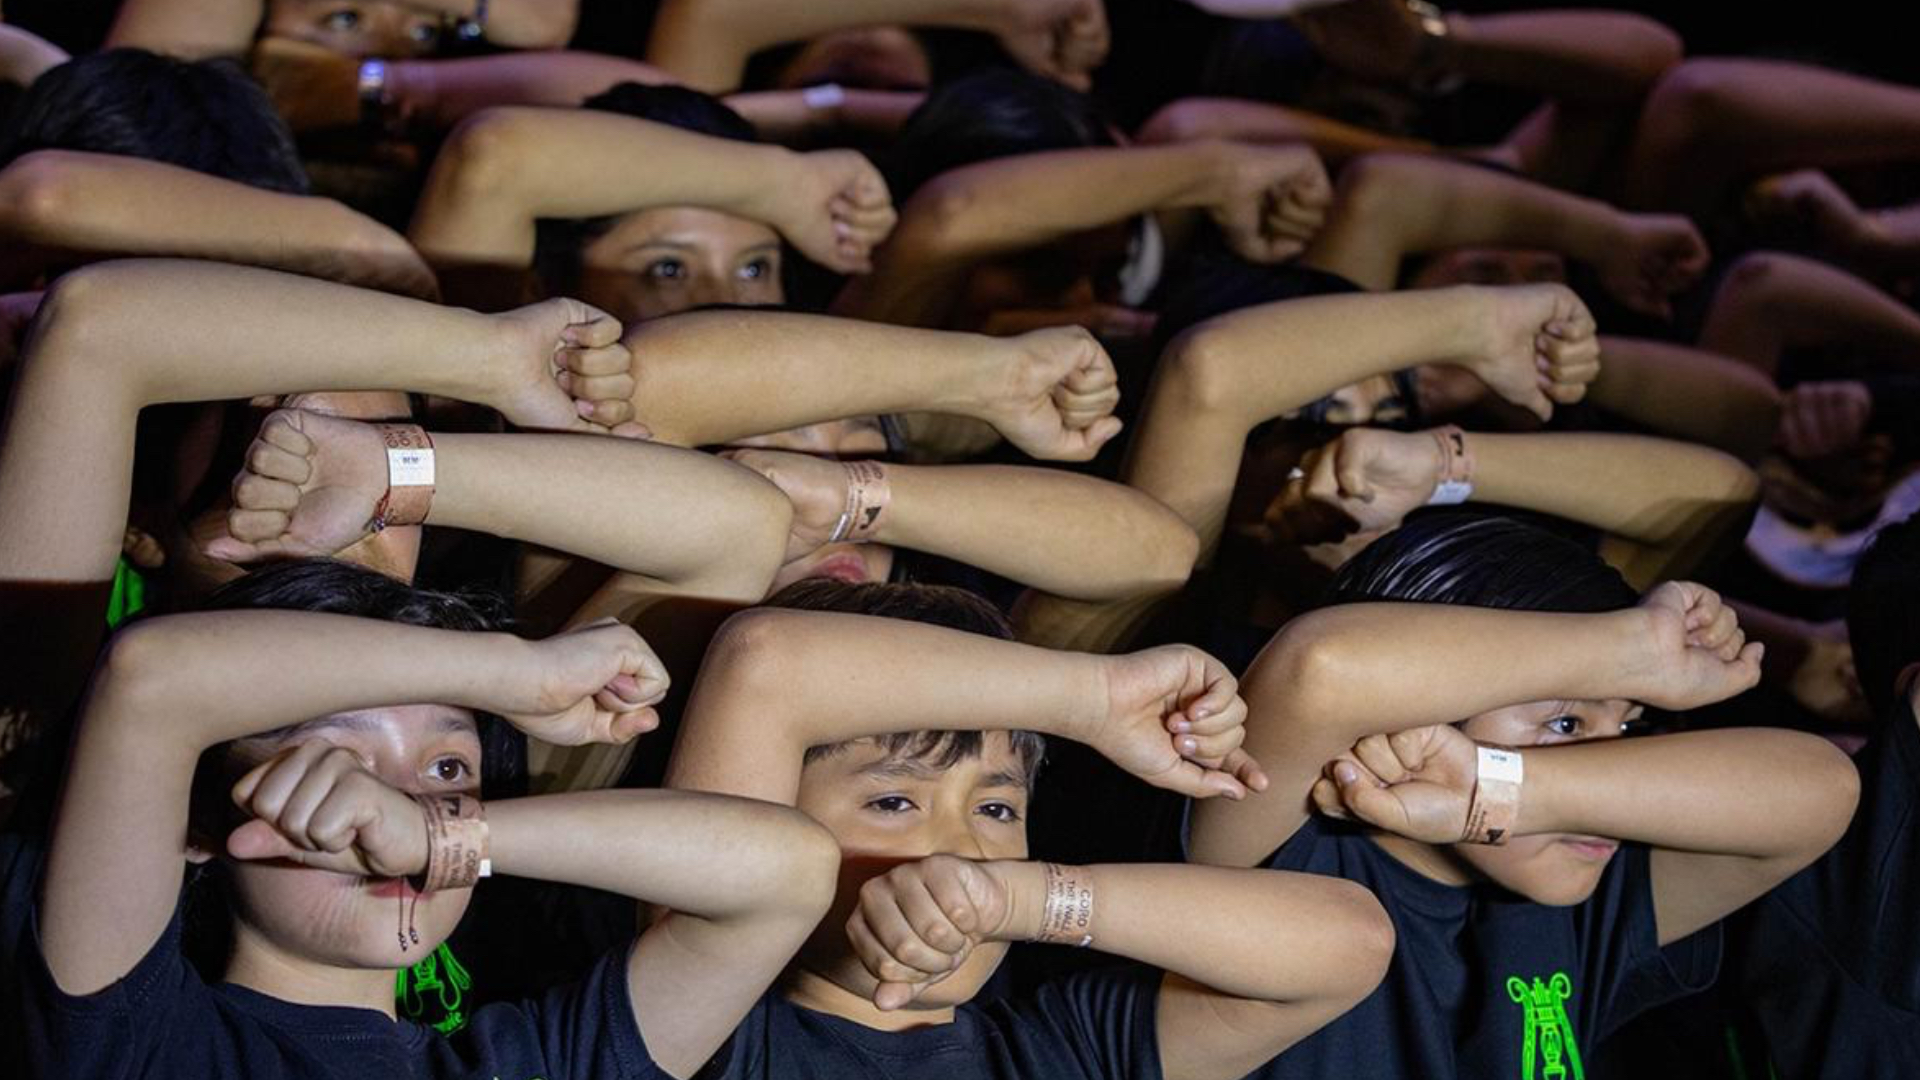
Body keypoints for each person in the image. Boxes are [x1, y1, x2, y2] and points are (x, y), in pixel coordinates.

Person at [11, 556, 839, 1080]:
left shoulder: (529, 1064)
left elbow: (788, 873)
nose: (395, 804)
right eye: (340, 759)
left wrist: (440, 838)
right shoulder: (135, 1040)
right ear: (198, 822)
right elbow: (148, 678)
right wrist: (511, 672)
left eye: (448, 770)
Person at [1189, 511, 1860, 1079]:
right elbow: (1318, 668)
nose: (1612, 767)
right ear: (1405, 720)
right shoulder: (1290, 846)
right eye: (1565, 724)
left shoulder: (1571, 903)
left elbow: (1822, 789)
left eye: (1631, 727)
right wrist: (1631, 648)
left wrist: (1498, 791)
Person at [664, 579, 1395, 1080]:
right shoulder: (700, 1027)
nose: (962, 850)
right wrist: (1092, 699)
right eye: (892, 803)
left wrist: (1019, 900)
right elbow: (764, 661)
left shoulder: (1060, 1052)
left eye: (996, 810)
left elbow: (1349, 944)